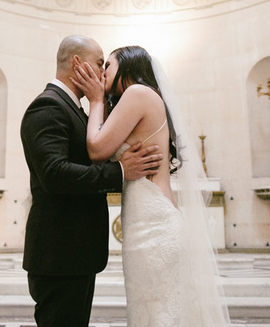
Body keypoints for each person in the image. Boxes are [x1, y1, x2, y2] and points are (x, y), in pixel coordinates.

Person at [72, 45, 231, 327]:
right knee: (151, 311)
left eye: (107, 65)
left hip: (153, 226)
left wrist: (96, 100)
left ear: (128, 66)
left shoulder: (138, 94)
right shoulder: (135, 99)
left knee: (159, 314)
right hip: (146, 221)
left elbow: (97, 149)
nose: (102, 72)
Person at [20, 35, 164, 327]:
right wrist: (121, 171)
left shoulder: (74, 109)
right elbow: (55, 174)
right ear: (77, 63)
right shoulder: (48, 106)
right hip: (59, 254)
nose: (102, 72)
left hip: (76, 254)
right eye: (99, 63)